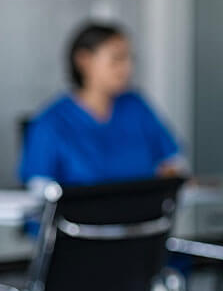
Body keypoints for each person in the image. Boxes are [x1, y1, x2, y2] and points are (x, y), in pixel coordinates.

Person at [18, 22, 184, 191]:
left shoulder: (136, 107)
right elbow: (40, 190)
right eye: (117, 59)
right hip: (78, 217)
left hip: (144, 215)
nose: (127, 68)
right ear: (84, 61)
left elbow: (172, 163)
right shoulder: (50, 123)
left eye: (129, 59)